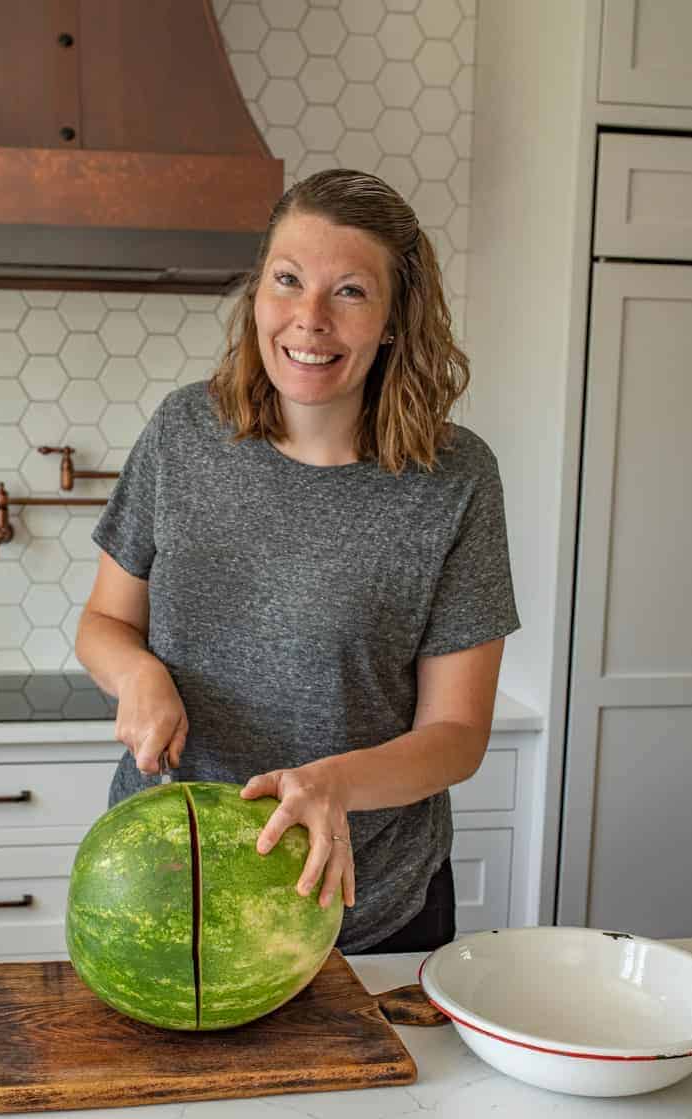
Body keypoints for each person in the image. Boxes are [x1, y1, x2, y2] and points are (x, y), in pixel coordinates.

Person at [76, 168, 519, 955]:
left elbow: (456, 732)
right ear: (258, 295)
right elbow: (105, 621)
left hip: (367, 904)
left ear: (391, 320)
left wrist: (333, 783)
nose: (309, 319)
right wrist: (140, 674)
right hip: (172, 891)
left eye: (348, 291)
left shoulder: (454, 481)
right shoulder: (185, 431)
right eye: (288, 281)